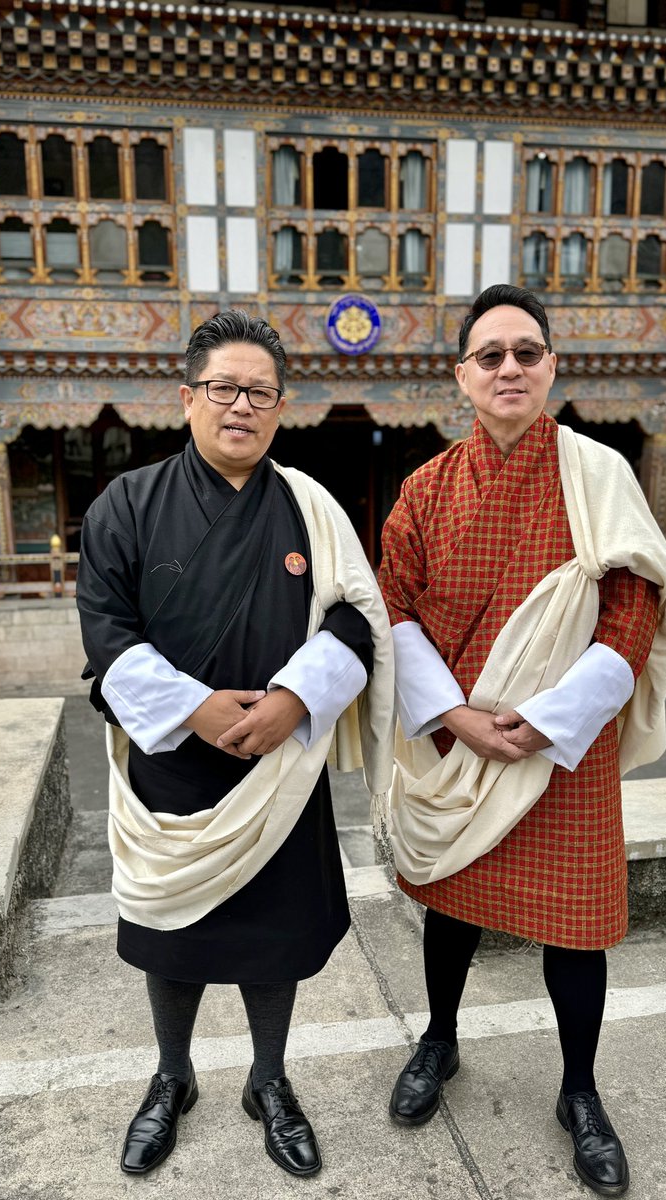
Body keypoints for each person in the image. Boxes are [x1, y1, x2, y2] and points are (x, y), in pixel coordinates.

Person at [378, 284, 666, 1198]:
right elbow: (392, 607)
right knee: (452, 908)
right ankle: (438, 1041)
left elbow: (635, 604)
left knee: (577, 932)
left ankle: (581, 1092)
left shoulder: (599, 474)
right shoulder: (424, 489)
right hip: (463, 743)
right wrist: (455, 716)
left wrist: (551, 717)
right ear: (461, 375)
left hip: (565, 747)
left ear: (551, 365)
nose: (509, 368)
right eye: (490, 355)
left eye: (526, 352)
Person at [76, 310, 393, 1180]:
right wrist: (199, 712)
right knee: (170, 934)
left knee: (272, 939)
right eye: (224, 388)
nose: (241, 406)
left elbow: (356, 617)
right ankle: (172, 1076)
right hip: (173, 762)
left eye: (260, 392)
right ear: (188, 397)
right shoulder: (126, 505)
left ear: (280, 406)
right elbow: (105, 633)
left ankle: (270, 1080)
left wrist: (298, 697)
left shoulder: (312, 509)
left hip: (283, 766)